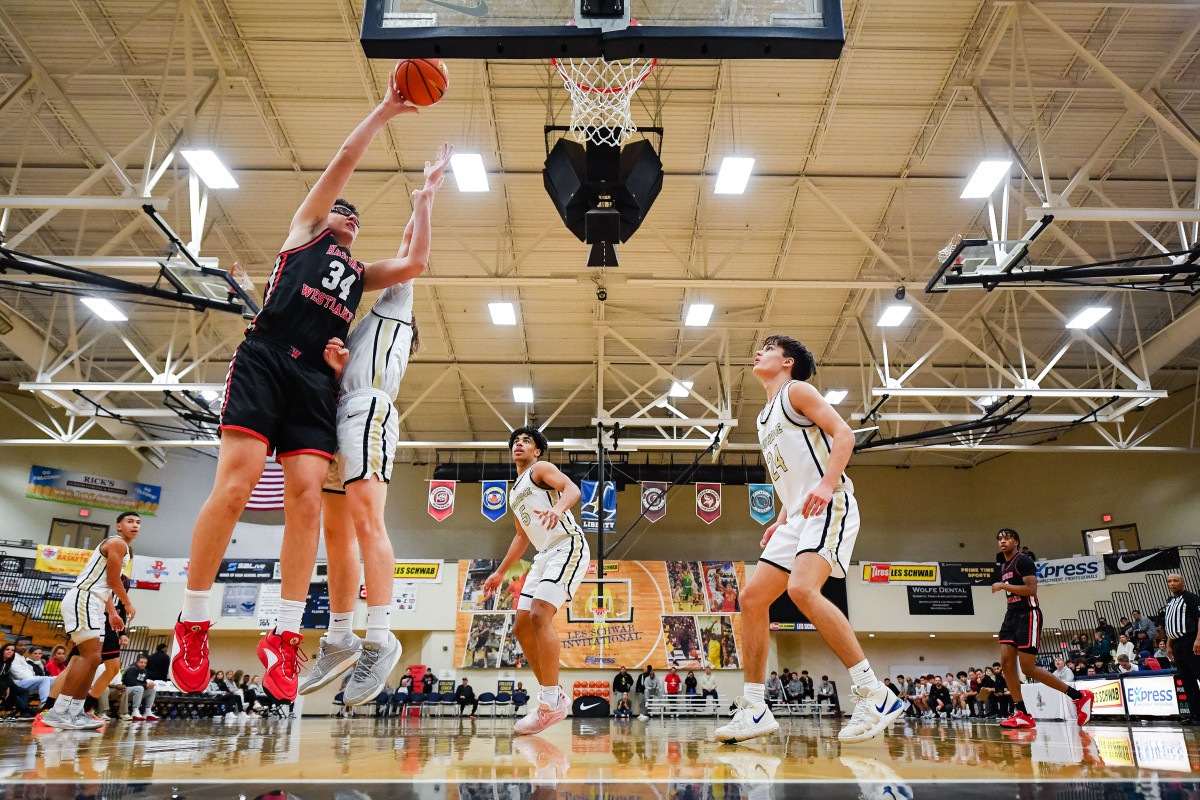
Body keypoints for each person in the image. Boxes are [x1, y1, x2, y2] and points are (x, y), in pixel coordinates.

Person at [169, 79, 427, 703]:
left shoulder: (359, 275)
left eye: (357, 218)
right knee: (235, 485)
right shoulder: (306, 231)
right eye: (346, 209)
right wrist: (388, 108)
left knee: (309, 502)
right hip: (265, 358)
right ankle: (194, 620)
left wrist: (427, 199)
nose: (349, 215)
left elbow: (416, 264)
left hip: (315, 379)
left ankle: (284, 636)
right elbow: (343, 159)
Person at [298, 146, 451, 706]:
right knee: (333, 530)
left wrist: (425, 197)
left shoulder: (395, 308)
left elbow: (413, 252)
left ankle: (381, 638)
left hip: (370, 412)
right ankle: (339, 635)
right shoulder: (358, 328)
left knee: (367, 521)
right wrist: (336, 371)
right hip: (340, 410)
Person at [717, 336, 899, 745]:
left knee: (801, 589)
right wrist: (781, 517)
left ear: (786, 361)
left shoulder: (797, 391)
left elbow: (845, 435)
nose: (757, 350)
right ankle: (755, 708)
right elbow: (793, 475)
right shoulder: (764, 417)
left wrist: (827, 484)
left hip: (830, 502)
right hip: (797, 516)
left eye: (766, 346)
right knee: (751, 600)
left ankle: (875, 693)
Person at [481, 426, 587, 735]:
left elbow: (572, 490)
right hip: (543, 555)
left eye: (526, 441)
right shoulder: (515, 492)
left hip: (568, 544)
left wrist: (557, 508)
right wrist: (501, 571)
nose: (519, 444)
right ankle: (553, 695)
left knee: (541, 614)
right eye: (516, 441)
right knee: (521, 625)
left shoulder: (540, 469)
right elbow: (521, 535)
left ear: (537, 450)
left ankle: (549, 703)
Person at [41, 511, 138, 730]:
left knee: (94, 660)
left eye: (138, 522)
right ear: (119, 526)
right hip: (84, 598)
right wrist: (127, 603)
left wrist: (113, 613)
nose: (135, 525)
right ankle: (58, 711)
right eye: (130, 521)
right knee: (88, 657)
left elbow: (106, 586)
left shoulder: (123, 548)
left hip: (95, 602)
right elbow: (114, 581)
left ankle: (76, 711)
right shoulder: (117, 542)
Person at [991, 527, 1093, 729]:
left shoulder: (1023, 561)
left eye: (1007, 538)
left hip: (1028, 615)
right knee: (1006, 663)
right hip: (1011, 615)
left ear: (1016, 542)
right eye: (1000, 539)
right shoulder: (1004, 566)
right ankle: (1022, 713)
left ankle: (1079, 696)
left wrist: (1004, 586)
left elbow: (1031, 589)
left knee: (1028, 668)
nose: (1003, 541)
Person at [1163, 572, 1200, 725]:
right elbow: (1171, 624)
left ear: (1183, 582)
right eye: (1170, 581)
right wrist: (1169, 645)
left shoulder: (1191, 598)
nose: (1172, 583)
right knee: (1187, 680)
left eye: (1176, 581)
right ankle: (1196, 714)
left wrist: (1198, 639)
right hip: (1177, 644)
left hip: (1190, 641)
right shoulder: (1170, 601)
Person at [9, 639, 54, 712]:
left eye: (25, 645)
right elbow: (17, 673)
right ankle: (45, 704)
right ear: (15, 646)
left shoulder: (22, 657)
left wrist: (35, 678)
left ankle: (55, 703)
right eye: (20, 645)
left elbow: (30, 674)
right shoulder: (13, 657)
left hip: (28, 681)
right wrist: (35, 678)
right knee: (45, 679)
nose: (23, 647)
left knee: (55, 679)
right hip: (19, 682)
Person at [121, 654, 158, 721]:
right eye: (141, 662)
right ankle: (135, 711)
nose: (143, 664)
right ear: (137, 662)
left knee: (152, 690)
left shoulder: (144, 671)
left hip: (137, 691)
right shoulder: (132, 669)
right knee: (140, 688)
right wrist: (145, 686)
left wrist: (148, 685)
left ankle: (147, 711)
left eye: (145, 663)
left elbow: (143, 683)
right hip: (126, 690)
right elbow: (130, 683)